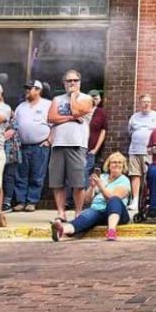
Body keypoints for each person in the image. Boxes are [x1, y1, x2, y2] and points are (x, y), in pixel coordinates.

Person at [53, 152, 131, 242]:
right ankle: (61, 230)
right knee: (85, 217)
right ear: (109, 165)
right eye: (114, 162)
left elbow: (112, 198)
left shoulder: (124, 180)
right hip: (98, 210)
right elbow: (87, 199)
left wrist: (100, 185)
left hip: (117, 214)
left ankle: (111, 231)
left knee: (114, 200)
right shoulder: (102, 177)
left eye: (119, 162)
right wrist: (92, 186)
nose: (116, 164)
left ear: (123, 166)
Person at [47, 70, 94, 220]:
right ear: (64, 83)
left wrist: (73, 96)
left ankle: (78, 213)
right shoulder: (57, 99)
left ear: (79, 82)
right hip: (58, 144)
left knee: (78, 182)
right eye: (69, 81)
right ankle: (61, 213)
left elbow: (76, 111)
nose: (72, 83)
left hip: (77, 144)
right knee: (57, 182)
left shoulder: (86, 99)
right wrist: (70, 119)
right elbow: (51, 117)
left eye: (75, 80)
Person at [10, 81, 51, 212]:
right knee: (20, 174)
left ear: (38, 90)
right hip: (22, 146)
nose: (27, 91)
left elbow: (55, 125)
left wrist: (49, 141)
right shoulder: (21, 107)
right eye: (26, 88)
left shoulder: (48, 105)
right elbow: (14, 125)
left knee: (37, 175)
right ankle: (21, 201)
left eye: (30, 88)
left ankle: (32, 201)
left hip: (40, 145)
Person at [127, 93, 156, 217]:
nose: (146, 104)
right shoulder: (134, 117)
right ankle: (135, 201)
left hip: (150, 151)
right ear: (140, 104)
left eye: (148, 102)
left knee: (150, 177)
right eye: (143, 102)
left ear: (151, 103)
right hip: (135, 150)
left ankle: (150, 200)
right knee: (135, 175)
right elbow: (130, 132)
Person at [86, 90, 108, 181]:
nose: (94, 100)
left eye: (96, 98)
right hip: (79, 147)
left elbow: (103, 131)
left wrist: (95, 149)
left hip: (92, 148)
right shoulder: (82, 110)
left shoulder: (101, 112)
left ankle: (86, 195)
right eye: (92, 98)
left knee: (87, 172)